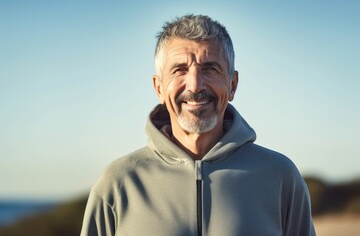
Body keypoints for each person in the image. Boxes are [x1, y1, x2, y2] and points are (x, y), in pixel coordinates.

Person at [80, 14, 316, 236]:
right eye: (179, 70)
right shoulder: (118, 183)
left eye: (210, 69)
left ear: (232, 85)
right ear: (159, 88)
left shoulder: (281, 176)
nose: (195, 86)